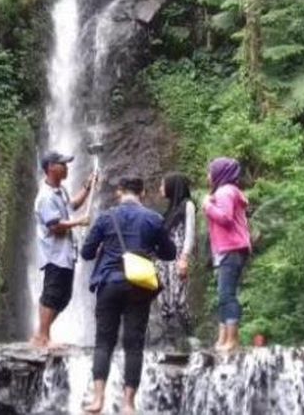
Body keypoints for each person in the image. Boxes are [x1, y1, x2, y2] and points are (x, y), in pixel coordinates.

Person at [81, 177, 176, 415]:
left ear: (119, 192)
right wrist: (149, 249)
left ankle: (98, 399)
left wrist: (104, 248)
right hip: (138, 286)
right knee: (134, 345)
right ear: (143, 192)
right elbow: (169, 253)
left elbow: (86, 252)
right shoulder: (153, 219)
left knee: (104, 342)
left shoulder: (106, 217)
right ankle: (128, 404)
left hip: (109, 282)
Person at [29, 150, 94, 348]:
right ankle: (42, 337)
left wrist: (87, 187)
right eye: (62, 164)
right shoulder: (46, 197)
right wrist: (79, 222)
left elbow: (71, 205)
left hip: (65, 254)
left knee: (63, 296)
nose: (66, 168)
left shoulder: (61, 190)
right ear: (50, 168)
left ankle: (42, 334)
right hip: (54, 255)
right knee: (52, 293)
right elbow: (55, 227)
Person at [203, 157, 251, 353]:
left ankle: (231, 339)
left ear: (219, 173)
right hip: (231, 249)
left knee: (227, 295)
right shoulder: (230, 191)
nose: (208, 176)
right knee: (224, 294)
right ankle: (223, 338)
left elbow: (225, 218)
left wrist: (207, 205)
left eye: (210, 172)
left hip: (230, 249)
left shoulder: (224, 192)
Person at [155, 172, 195, 342]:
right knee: (164, 301)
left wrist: (185, 258)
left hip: (178, 257)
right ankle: (170, 339)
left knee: (179, 300)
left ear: (172, 186)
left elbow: (189, 233)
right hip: (163, 260)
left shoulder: (188, 205)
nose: (160, 188)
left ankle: (190, 335)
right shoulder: (169, 210)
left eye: (163, 185)